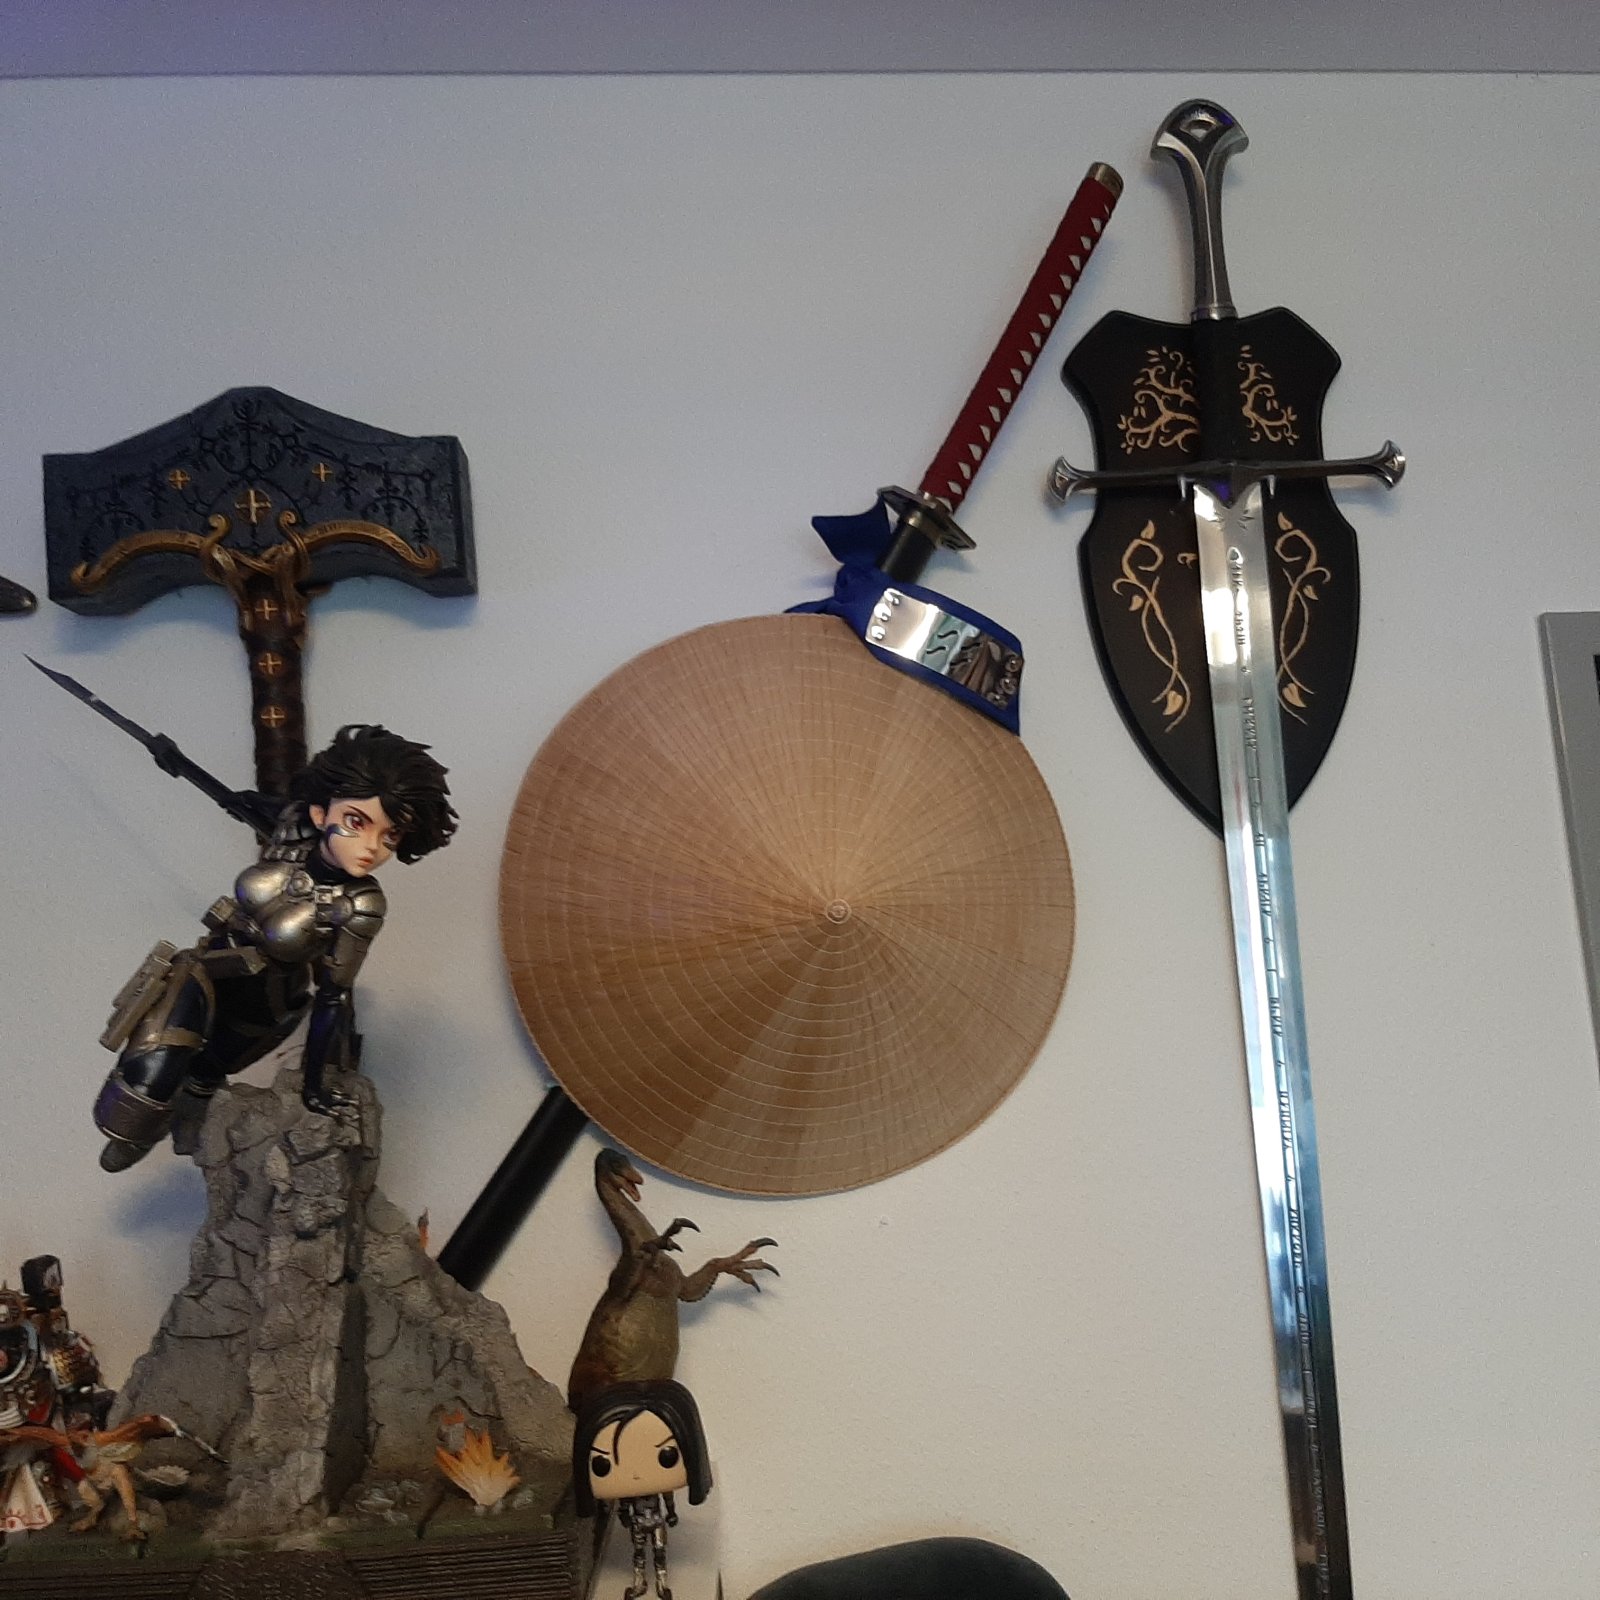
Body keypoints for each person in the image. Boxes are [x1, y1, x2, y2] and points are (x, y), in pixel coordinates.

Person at [92, 724, 455, 1172]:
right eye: (356, 823)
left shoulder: (360, 905)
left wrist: (313, 1084)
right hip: (210, 967)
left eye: (390, 836)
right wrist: (173, 758)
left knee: (204, 1077)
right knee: (152, 1062)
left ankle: (190, 1115)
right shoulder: (294, 826)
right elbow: (234, 799)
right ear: (322, 813)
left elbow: (332, 995)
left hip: (266, 1001)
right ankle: (133, 1133)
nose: (370, 848)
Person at [572, 1379, 712, 1600]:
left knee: (659, 1551)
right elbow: (625, 1505)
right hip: (639, 1522)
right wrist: (624, 1514)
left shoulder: (658, 1492)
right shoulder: (629, 1496)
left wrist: (672, 1512)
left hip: (656, 1520)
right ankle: (639, 1582)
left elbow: (667, 1499)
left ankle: (661, 1582)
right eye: (602, 1464)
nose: (637, 1474)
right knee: (639, 1553)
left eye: (667, 1456)